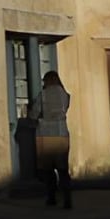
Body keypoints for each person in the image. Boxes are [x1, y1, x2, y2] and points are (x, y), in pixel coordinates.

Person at [36, 70, 72, 208]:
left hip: (46, 134)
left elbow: (34, 112)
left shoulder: (43, 95)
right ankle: (67, 199)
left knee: (48, 169)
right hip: (62, 133)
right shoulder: (65, 95)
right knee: (63, 169)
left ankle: (51, 197)